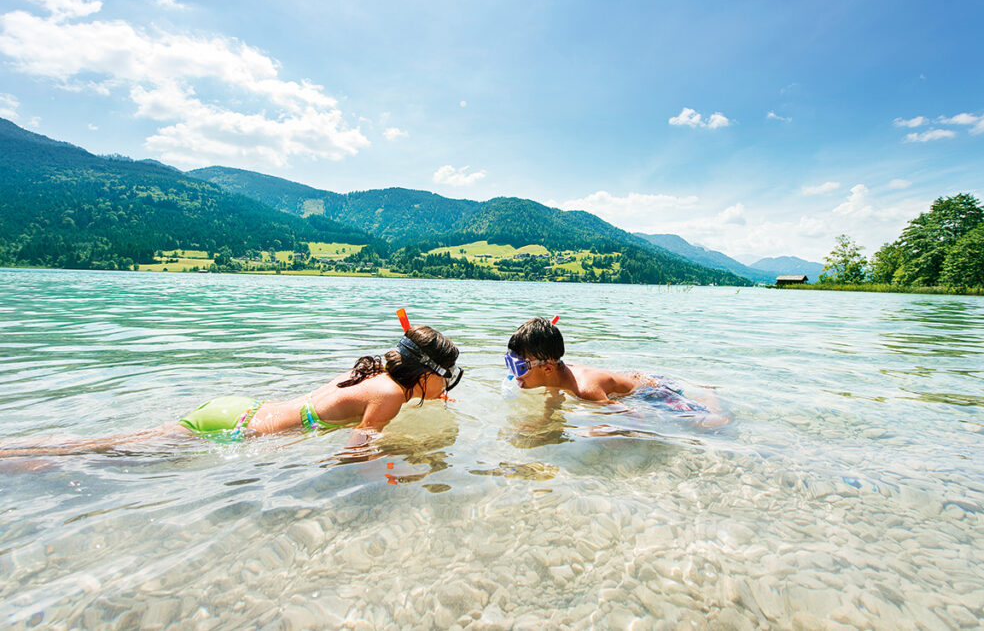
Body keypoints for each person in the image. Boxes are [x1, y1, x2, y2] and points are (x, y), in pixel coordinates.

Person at [1, 322, 462, 458]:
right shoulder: (390, 396)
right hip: (242, 431)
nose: (448, 385)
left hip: (241, 408)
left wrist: (433, 395)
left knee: (122, 442)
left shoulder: (374, 375)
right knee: (99, 451)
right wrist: (371, 482)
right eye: (448, 375)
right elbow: (360, 442)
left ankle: (29, 450)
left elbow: (362, 406)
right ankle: (26, 456)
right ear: (427, 373)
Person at [504, 317, 729, 426]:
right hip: (632, 379)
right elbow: (553, 397)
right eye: (509, 363)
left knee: (710, 423)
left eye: (520, 368)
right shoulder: (555, 375)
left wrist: (603, 431)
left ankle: (710, 395)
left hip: (653, 392)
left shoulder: (586, 391)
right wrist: (545, 421)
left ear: (548, 368)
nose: (514, 376)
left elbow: (636, 417)